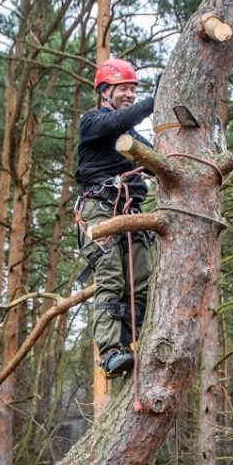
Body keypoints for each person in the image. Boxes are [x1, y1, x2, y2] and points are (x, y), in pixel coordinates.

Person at [74, 58, 157, 377]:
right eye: (123, 89)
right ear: (105, 91)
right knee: (111, 277)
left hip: (129, 212)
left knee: (141, 280)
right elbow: (114, 124)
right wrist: (153, 102)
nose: (129, 95)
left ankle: (135, 345)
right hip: (99, 208)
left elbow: (155, 161)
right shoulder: (93, 122)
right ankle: (110, 352)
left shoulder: (130, 135)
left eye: (133, 90)